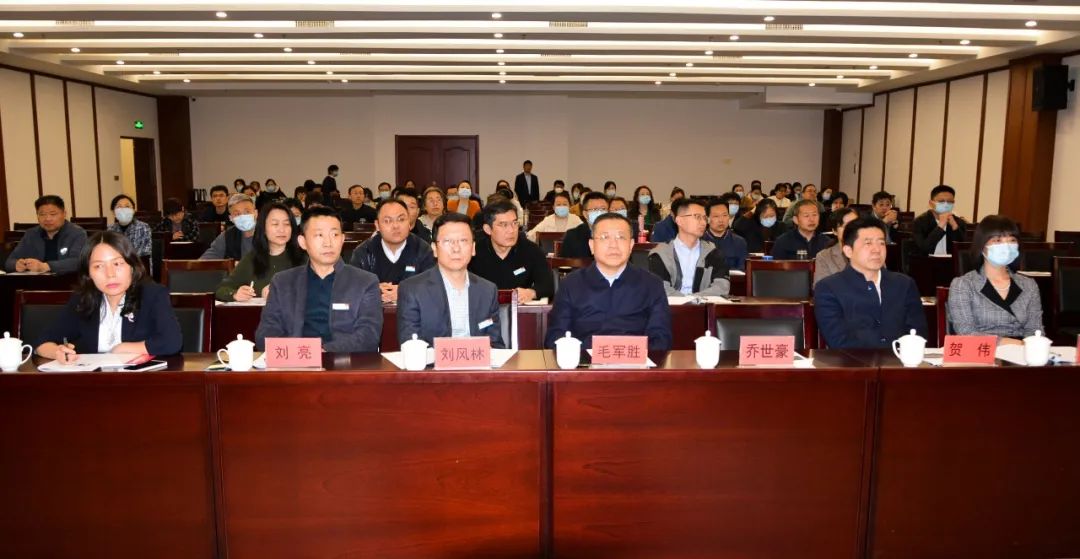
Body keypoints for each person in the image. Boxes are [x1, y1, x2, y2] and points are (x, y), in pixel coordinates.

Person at [34, 231, 182, 361]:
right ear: (88, 273)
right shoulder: (82, 299)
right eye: (99, 266)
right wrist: (58, 352)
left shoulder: (152, 294)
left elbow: (172, 342)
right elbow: (42, 342)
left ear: (132, 266)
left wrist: (123, 348)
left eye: (117, 264)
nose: (110, 274)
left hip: (138, 380)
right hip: (94, 381)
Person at [255, 206, 382, 352]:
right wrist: (301, 352)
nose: (328, 243)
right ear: (303, 242)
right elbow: (265, 334)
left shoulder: (365, 282)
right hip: (296, 361)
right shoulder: (283, 282)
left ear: (342, 239)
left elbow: (369, 336)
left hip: (344, 361)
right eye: (319, 235)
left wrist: (322, 351)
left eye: (334, 235)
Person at [545, 212, 672, 350]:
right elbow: (554, 338)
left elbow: (661, 340)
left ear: (631, 245)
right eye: (605, 237)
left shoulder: (652, 284)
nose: (613, 245)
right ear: (592, 245)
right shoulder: (571, 284)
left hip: (637, 361)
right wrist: (592, 351)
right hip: (584, 361)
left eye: (621, 237)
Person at [814, 218, 927, 348]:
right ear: (848, 251)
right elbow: (838, 341)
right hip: (853, 360)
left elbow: (918, 332)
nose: (877, 250)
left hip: (901, 359)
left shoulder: (904, 284)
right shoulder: (829, 288)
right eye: (868, 243)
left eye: (881, 243)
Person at [396, 213, 505, 348]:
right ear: (434, 249)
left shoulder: (487, 290)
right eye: (447, 241)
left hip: (478, 361)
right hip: (431, 361)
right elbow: (410, 345)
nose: (456, 248)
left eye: (463, 241)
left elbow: (495, 345)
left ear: (473, 248)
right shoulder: (412, 289)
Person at [947, 215, 1042, 344]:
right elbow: (965, 332)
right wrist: (1006, 342)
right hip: (982, 350)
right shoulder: (963, 284)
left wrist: (1028, 346)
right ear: (982, 245)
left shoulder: (1028, 285)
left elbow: (1035, 330)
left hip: (1022, 351)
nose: (1006, 246)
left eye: (1012, 240)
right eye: (997, 240)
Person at [215, 202, 306, 302]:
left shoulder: (304, 258)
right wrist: (235, 294)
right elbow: (221, 289)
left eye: (287, 224)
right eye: (275, 224)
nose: (282, 230)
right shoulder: (253, 258)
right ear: (264, 228)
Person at [348, 198, 435, 303]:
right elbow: (351, 288)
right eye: (387, 221)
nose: (395, 226)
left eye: (401, 219)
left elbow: (433, 287)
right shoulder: (363, 253)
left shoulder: (423, 250)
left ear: (409, 223)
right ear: (377, 225)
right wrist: (372, 290)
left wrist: (406, 291)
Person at [469, 200, 554, 303]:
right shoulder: (473, 252)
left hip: (518, 308)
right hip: (481, 308)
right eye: (503, 225)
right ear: (488, 229)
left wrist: (531, 292)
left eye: (515, 223)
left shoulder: (531, 250)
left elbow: (548, 285)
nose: (511, 230)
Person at [648, 198, 730, 297]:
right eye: (697, 217)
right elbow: (661, 289)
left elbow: (722, 287)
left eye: (705, 218)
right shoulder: (661, 253)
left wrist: (694, 300)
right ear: (679, 221)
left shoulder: (713, 253)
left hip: (703, 305)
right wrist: (688, 301)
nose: (703, 223)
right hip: (670, 306)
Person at [5, 195, 87, 274]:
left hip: (66, 281)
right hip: (35, 282)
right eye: (42, 214)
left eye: (53, 214)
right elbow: (9, 262)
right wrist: (16, 265)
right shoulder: (31, 234)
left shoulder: (77, 233)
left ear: (64, 214)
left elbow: (78, 262)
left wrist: (46, 266)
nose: (47, 219)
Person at [912, 184, 968, 256]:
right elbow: (924, 249)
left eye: (950, 202)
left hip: (950, 262)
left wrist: (955, 227)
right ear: (931, 203)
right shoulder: (920, 222)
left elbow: (962, 251)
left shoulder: (958, 222)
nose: (946, 204)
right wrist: (940, 226)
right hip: (927, 261)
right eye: (941, 201)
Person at [199, 193, 257, 260]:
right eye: (237, 214)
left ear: (256, 213)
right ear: (231, 218)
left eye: (247, 212)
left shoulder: (266, 232)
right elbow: (204, 261)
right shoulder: (227, 236)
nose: (243, 216)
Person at [813, 206, 859, 286]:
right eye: (845, 226)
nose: (851, 229)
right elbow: (821, 288)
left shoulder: (872, 251)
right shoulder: (824, 256)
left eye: (855, 225)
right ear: (834, 231)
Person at [703, 197, 748, 271]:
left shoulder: (739, 242)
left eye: (724, 215)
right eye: (716, 216)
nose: (721, 220)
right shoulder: (698, 241)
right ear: (707, 219)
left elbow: (742, 269)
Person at [559, 191, 609, 258]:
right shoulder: (572, 236)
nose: (599, 212)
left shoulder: (617, 234)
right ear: (585, 214)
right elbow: (564, 262)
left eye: (603, 209)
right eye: (595, 209)